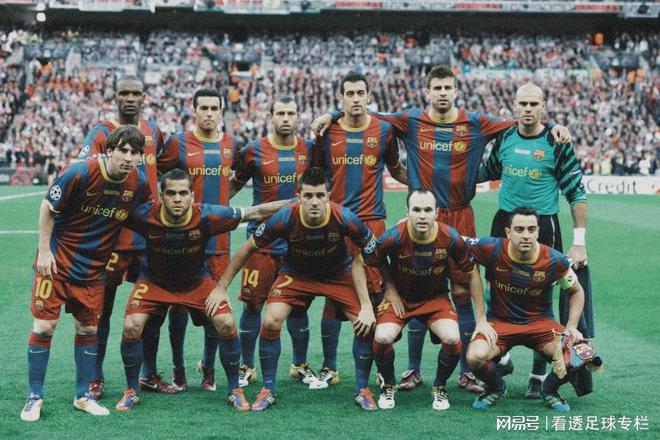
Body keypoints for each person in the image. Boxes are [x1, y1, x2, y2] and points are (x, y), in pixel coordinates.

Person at [313, 65, 570, 393]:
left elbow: (522, 121)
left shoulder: (475, 122)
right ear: (428, 91)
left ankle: (467, 372)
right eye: (437, 88)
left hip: (460, 216)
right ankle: (413, 369)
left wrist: (554, 125)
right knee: (414, 288)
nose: (443, 93)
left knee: (462, 293)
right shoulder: (411, 120)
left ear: (456, 91)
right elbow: (365, 111)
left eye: (448, 87)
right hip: (421, 217)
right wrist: (333, 114)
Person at [114, 169, 289, 412]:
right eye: (171, 193)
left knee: (226, 322)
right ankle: (132, 391)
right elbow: (109, 214)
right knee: (131, 325)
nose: (177, 198)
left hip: (196, 282)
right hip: (154, 281)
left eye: (183, 193)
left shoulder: (206, 215)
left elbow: (255, 212)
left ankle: (234, 390)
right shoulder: (144, 215)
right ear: (161, 197)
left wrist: (299, 202)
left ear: (192, 195)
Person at [215, 167, 378, 411]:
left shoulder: (344, 217)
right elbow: (247, 248)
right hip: (296, 274)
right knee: (271, 320)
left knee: (364, 324)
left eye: (320, 195)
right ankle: (268, 389)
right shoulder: (285, 216)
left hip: (337, 275)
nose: (314, 201)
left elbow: (369, 250)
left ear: (329, 196)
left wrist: (367, 304)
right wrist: (222, 286)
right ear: (298, 196)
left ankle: (363, 389)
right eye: (308, 195)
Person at [21, 126, 150, 422]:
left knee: (88, 330)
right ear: (109, 150)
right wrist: (44, 250)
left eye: (135, 153)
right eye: (123, 151)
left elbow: (143, 217)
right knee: (44, 327)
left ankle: (83, 396)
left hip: (93, 270)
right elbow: (47, 207)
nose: (129, 158)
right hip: (56, 264)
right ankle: (34, 397)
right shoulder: (79, 172)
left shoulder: (138, 183)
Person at [478, 83, 590, 398]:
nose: (527, 109)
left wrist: (579, 241)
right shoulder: (504, 137)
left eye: (533, 104)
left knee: (541, 296)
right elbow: (488, 170)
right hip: (504, 222)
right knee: (494, 288)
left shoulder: (556, 141)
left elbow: (576, 193)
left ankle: (537, 375)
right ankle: (502, 355)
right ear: (514, 105)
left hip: (542, 225)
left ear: (543, 106)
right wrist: (448, 176)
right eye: (523, 103)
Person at [79, 75, 176, 398]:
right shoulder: (100, 132)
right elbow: (85, 173)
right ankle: (95, 376)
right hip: (111, 235)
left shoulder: (154, 131)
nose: (130, 98)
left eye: (136, 93)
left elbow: (167, 167)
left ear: (144, 97)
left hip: (149, 236)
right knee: (101, 309)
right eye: (124, 93)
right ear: (115, 96)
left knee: (154, 308)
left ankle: (149, 373)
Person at [311, 71, 407, 389]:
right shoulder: (327, 131)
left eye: (360, 93)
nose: (355, 98)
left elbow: (396, 169)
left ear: (368, 96)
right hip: (336, 224)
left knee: (376, 295)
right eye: (349, 93)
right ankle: (329, 367)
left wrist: (426, 185)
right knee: (332, 293)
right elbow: (316, 176)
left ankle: (380, 367)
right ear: (341, 98)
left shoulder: (383, 130)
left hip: (372, 223)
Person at [363, 189, 491, 410]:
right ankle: (389, 385)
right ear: (408, 212)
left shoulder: (450, 237)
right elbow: (370, 259)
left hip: (435, 300)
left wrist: (481, 319)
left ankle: (439, 387)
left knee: (452, 338)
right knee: (383, 337)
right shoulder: (394, 236)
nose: (422, 215)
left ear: (436, 213)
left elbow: (472, 273)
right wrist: (390, 287)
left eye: (427, 210)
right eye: (417, 210)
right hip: (401, 299)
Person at [158, 88, 243, 392]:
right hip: (181, 241)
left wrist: (223, 202)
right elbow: (160, 179)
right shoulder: (177, 144)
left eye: (214, 108)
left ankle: (208, 367)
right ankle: (178, 369)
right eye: (203, 108)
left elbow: (237, 178)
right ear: (193, 111)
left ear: (221, 112)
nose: (209, 113)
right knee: (177, 306)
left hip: (218, 243)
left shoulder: (231, 145)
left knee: (214, 307)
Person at [229, 96, 317, 388]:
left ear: (299, 116)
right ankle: (247, 366)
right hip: (261, 242)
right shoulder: (253, 150)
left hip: (299, 243)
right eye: (280, 113)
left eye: (291, 113)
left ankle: (299, 365)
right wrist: (213, 209)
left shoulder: (309, 150)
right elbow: (234, 184)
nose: (286, 118)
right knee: (253, 305)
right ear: (270, 116)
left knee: (299, 306)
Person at [466, 207, 585, 412]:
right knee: (474, 356)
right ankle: (496, 387)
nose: (526, 235)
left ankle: (549, 390)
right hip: (500, 323)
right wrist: (481, 319)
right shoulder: (492, 248)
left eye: (531, 229)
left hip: (541, 325)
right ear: (508, 232)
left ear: (538, 232)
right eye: (519, 229)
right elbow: (454, 242)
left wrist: (572, 326)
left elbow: (577, 291)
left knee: (580, 355)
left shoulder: (554, 260)